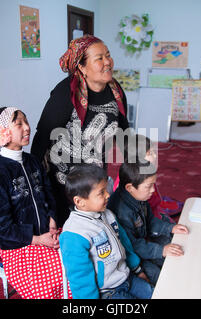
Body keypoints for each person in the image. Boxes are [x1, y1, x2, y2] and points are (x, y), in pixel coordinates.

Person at [31, 34, 129, 226]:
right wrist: (34, 181)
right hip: (63, 182)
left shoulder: (115, 91)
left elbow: (124, 132)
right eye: (99, 58)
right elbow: (43, 135)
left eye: (108, 55)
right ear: (82, 67)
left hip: (94, 178)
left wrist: (136, 167)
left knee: (94, 228)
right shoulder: (65, 93)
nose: (107, 62)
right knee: (69, 231)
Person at [0, 106, 71, 299]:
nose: (27, 128)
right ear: (2, 132)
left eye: (26, 121)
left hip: (46, 235)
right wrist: (38, 240)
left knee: (82, 257)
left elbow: (48, 193)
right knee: (57, 278)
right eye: (19, 124)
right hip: (20, 249)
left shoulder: (32, 161)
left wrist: (52, 221)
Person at [59, 163, 153, 299]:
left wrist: (137, 269)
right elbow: (80, 276)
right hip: (107, 292)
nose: (108, 195)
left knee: (156, 292)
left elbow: (125, 243)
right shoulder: (74, 234)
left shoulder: (107, 214)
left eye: (106, 189)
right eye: (101, 192)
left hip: (126, 277)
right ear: (80, 201)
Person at [107, 161, 189, 286]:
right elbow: (132, 246)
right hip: (132, 257)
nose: (152, 190)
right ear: (129, 188)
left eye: (153, 185)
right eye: (148, 186)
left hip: (144, 242)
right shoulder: (121, 211)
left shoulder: (140, 197)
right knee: (157, 274)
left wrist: (170, 228)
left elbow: (150, 220)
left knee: (175, 247)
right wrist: (161, 250)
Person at [112, 134, 183, 223]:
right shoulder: (131, 182)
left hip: (152, 213)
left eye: (154, 152)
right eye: (150, 153)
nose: (156, 156)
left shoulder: (144, 174)